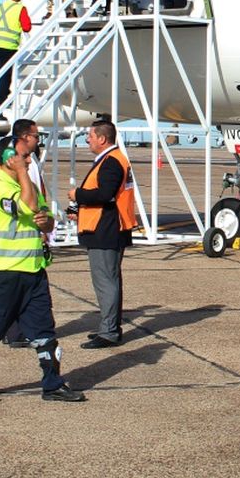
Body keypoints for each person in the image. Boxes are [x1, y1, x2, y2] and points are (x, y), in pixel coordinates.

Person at [0, 118, 85, 403]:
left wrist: (46, 222)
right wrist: (21, 171)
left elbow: (44, 221)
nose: (28, 160)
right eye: (24, 156)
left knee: (44, 331)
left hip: (33, 269)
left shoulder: (26, 185)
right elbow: (26, 204)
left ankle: (52, 384)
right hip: (5, 273)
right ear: (7, 160)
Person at [72, 119, 136, 348]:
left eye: (90, 135)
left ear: (102, 138)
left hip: (106, 230)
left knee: (106, 282)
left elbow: (105, 194)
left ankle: (109, 331)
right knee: (109, 280)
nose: (87, 139)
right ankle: (109, 327)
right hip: (108, 227)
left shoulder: (111, 162)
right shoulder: (112, 159)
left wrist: (77, 195)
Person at [0, 0, 32, 113]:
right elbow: (27, 27)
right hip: (8, 46)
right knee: (5, 76)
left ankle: (4, 96)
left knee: (4, 74)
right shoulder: (20, 8)